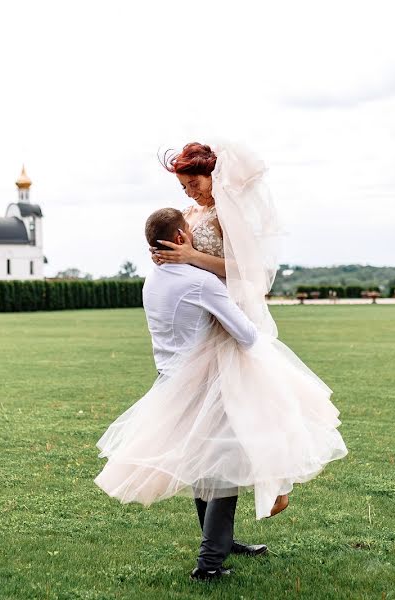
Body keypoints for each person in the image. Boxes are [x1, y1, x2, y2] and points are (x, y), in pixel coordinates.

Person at [95, 142, 348, 580]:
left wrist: (191, 258)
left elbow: (248, 270)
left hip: (226, 324)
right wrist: (172, 262)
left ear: (213, 175)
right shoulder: (189, 217)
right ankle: (213, 554)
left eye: (193, 182)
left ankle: (223, 540)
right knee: (215, 446)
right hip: (204, 334)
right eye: (182, 184)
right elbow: (179, 261)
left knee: (237, 432)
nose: (189, 192)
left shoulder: (230, 214)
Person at [95, 208, 268, 580]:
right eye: (187, 232)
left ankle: (220, 540)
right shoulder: (199, 282)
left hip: (171, 381)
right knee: (223, 469)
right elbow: (248, 336)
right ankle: (209, 564)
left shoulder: (152, 279)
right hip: (206, 384)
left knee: (204, 464)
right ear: (178, 239)